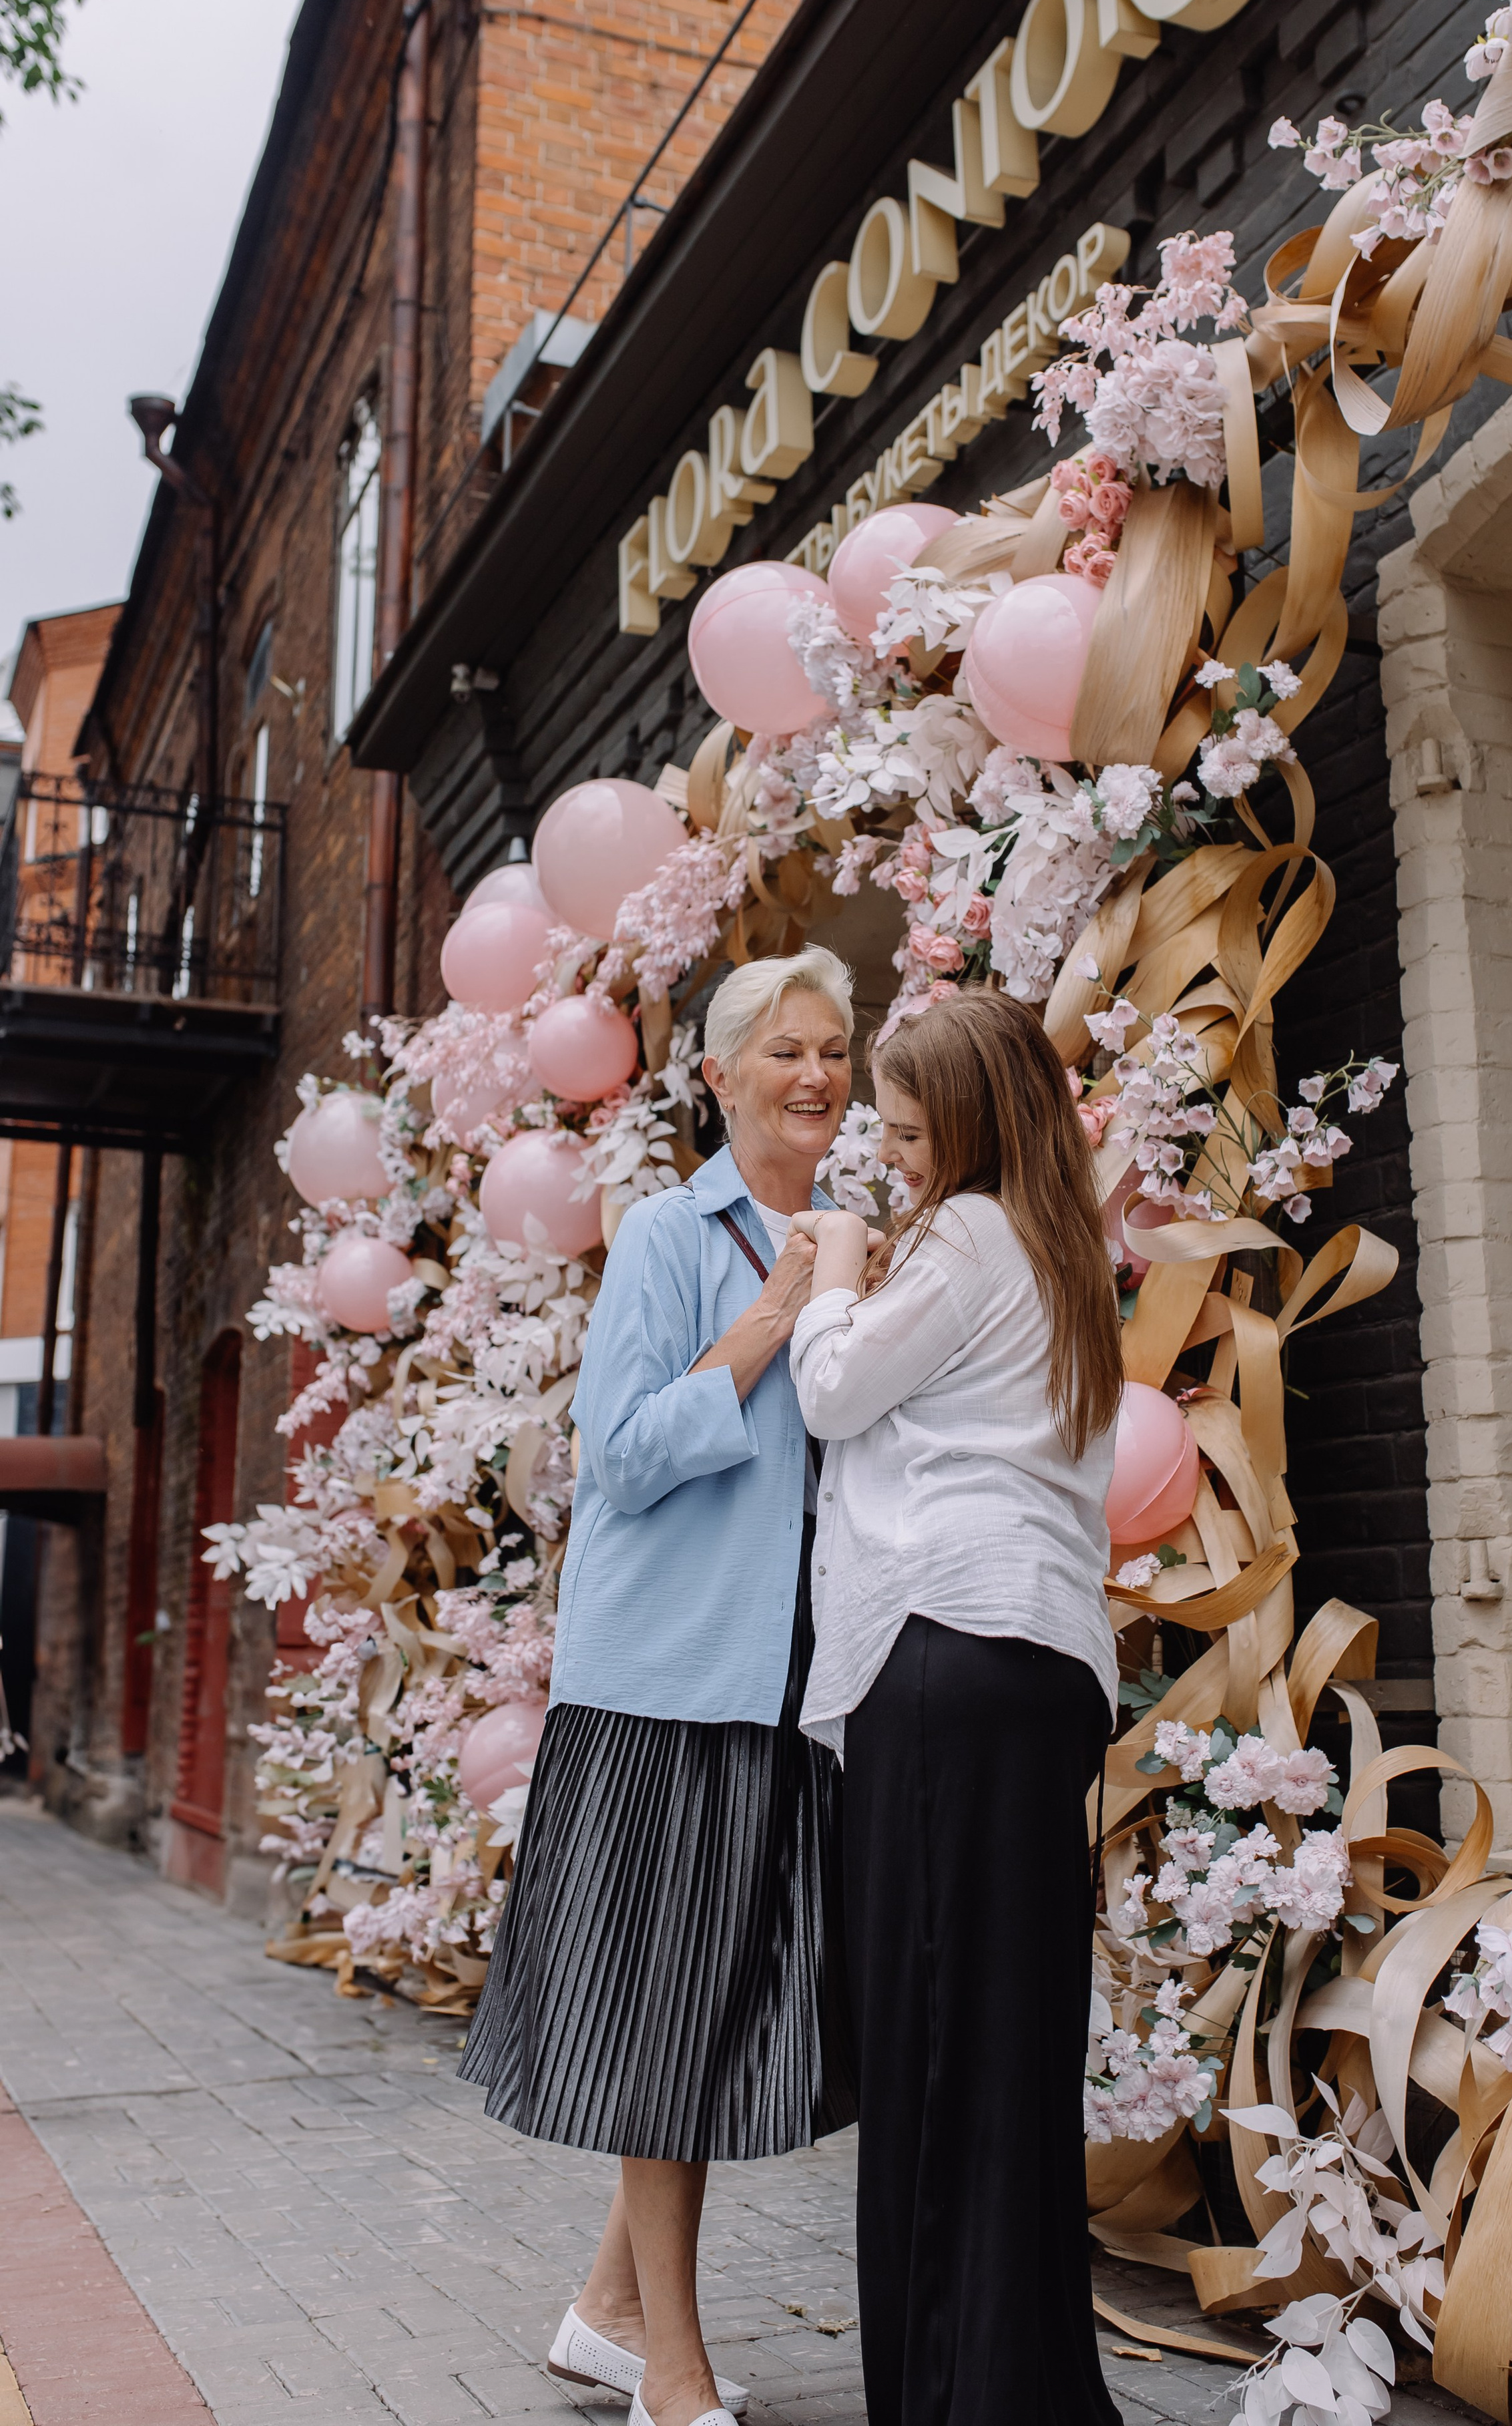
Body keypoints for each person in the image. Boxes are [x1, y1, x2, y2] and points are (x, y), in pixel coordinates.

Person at [460, 946, 860, 2426]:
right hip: (663, 1690)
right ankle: (671, 2379)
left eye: (832, 1050)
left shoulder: (843, 1233)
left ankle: (608, 2314)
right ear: (718, 1076)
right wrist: (766, 1325)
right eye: (784, 1053)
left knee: (719, 2005)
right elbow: (617, 1459)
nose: (816, 1077)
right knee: (667, 2023)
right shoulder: (670, 1242)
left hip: (788, 1690)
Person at [788, 987, 1125, 2426]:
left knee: (929, 2044)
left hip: (942, 1653)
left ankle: (944, 2399)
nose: (893, 1155)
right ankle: (1022, 2388)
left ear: (974, 1130)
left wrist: (835, 1270)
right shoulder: (1063, 1250)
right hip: (1038, 1665)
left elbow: (833, 1391)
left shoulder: (969, 1234)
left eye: (913, 1133)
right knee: (1014, 2043)